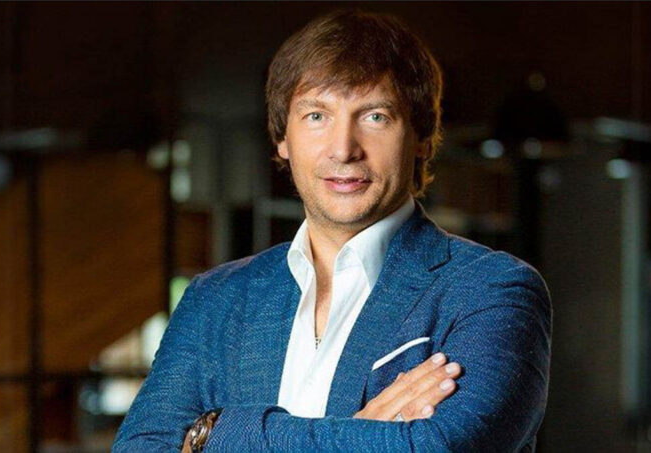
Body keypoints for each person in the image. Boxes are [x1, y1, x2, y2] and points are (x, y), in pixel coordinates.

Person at [114, 9, 551, 453]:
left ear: (421, 136)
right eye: (316, 116)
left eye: (375, 116)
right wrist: (362, 432)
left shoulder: (492, 291)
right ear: (282, 138)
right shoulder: (214, 299)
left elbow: (439, 446)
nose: (343, 149)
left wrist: (217, 434)